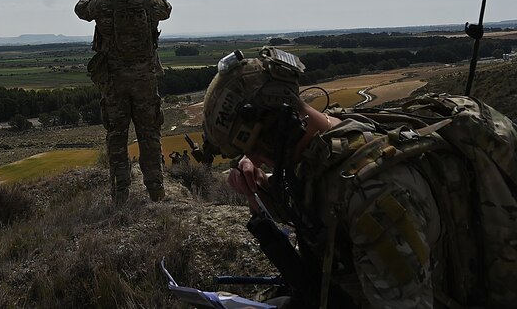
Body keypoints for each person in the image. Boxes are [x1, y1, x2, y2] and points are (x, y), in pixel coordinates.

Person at [202, 46, 517, 309]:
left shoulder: (377, 201)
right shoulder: (327, 139)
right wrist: (262, 187)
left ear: (280, 125)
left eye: (255, 147)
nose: (254, 158)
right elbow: (313, 202)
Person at [75, 0, 172, 203]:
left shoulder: (103, 4)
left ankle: (121, 193)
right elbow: (167, 10)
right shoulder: (150, 3)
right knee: (149, 134)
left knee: (117, 135)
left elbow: (80, 8)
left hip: (114, 82)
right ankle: (156, 190)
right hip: (145, 82)